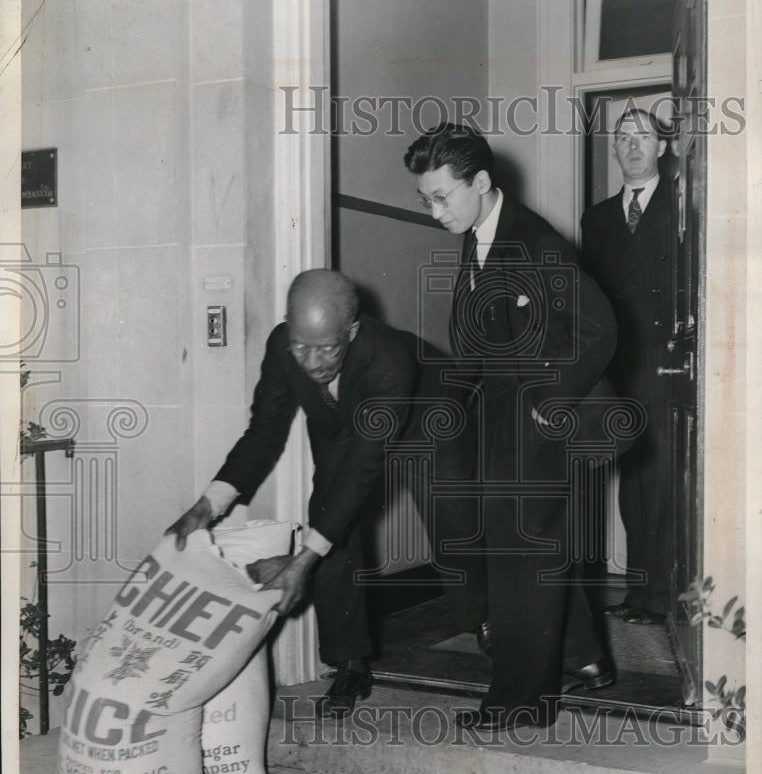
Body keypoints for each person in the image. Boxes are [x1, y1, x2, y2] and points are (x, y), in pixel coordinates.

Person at [404, 123, 618, 730]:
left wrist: (549, 403)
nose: (434, 210)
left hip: (538, 419)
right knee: (519, 546)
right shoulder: (475, 236)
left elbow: (599, 329)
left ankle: (523, 700)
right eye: (427, 199)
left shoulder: (536, 244)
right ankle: (585, 655)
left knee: (520, 553)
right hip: (497, 416)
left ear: (481, 182)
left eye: (443, 196)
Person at [166, 269, 419, 718]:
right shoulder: (283, 345)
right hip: (344, 432)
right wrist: (208, 505)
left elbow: (365, 467)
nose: (312, 362)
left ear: (352, 331)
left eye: (327, 348)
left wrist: (301, 562)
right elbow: (264, 432)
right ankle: (351, 664)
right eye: (302, 346)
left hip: (426, 418)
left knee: (457, 519)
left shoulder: (390, 356)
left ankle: (493, 625)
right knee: (329, 516)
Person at [580, 107, 674, 625]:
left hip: (666, 365)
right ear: (614, 150)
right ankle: (640, 595)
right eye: (623, 137)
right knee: (632, 480)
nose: (633, 144)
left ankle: (661, 596)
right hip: (618, 366)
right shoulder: (596, 219)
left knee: (660, 482)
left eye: (643, 136)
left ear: (661, 147)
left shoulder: (685, 204)